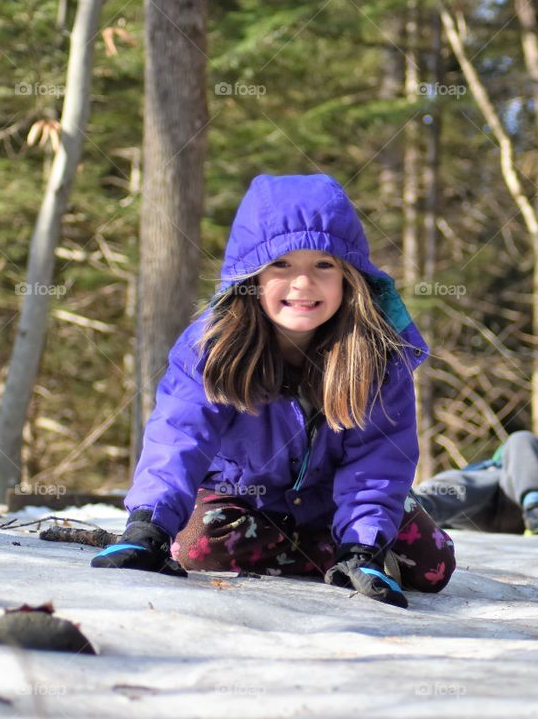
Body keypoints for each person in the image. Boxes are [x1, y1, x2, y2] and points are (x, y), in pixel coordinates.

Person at [91, 173, 455, 608]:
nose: (302, 284)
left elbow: (378, 460)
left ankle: (347, 549)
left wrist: (365, 546)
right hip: (242, 498)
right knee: (197, 549)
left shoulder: (377, 357)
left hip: (335, 497)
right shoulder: (211, 347)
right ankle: (325, 554)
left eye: (323, 265)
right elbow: (179, 436)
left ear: (349, 277)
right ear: (252, 276)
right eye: (282, 265)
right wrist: (148, 526)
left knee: (432, 566)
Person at [414, 430, 538, 537]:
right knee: (466, 481)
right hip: (480, 508)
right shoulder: (485, 472)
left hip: (530, 506)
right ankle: (415, 506)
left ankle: (536, 508)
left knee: (520, 439)